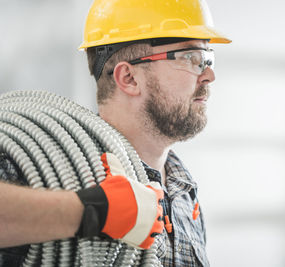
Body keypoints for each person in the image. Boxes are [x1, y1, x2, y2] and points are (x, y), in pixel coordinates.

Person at [0, 0, 230, 266]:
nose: (209, 75)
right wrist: (90, 210)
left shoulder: (183, 188)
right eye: (192, 58)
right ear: (128, 78)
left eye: (208, 58)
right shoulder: (35, 166)